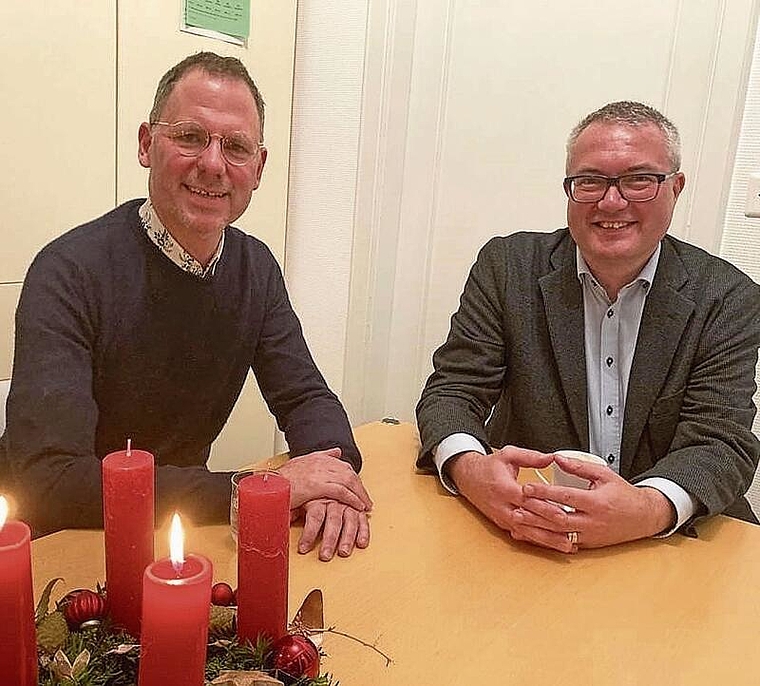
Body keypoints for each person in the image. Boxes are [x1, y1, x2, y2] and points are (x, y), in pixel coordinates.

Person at [1, 52, 371, 561]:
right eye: (190, 136)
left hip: (171, 533)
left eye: (236, 147)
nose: (213, 164)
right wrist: (255, 489)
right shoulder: (68, 271)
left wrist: (334, 478)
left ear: (258, 168)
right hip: (55, 544)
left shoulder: (255, 269)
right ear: (146, 144)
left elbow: (305, 397)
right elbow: (50, 480)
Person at [416, 101, 760, 554]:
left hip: (667, 542)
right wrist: (469, 467)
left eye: (639, 179)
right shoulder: (507, 268)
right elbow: (453, 391)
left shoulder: (727, 296)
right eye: (590, 181)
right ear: (569, 190)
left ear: (675, 188)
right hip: (533, 525)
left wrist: (647, 509)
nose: (610, 201)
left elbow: (721, 440)